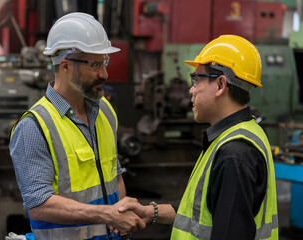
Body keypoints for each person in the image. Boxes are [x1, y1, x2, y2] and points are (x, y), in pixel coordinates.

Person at [117, 35, 279, 240]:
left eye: (197, 79)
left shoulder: (235, 154)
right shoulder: (241, 134)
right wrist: (152, 212)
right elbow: (202, 212)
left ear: (220, 84)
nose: (191, 89)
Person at [9, 12, 145, 240]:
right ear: (65, 66)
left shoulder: (105, 111)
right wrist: (107, 215)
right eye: (96, 65)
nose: (105, 73)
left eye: (105, 62)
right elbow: (39, 204)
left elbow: (115, 175)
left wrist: (120, 217)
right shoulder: (34, 127)